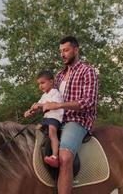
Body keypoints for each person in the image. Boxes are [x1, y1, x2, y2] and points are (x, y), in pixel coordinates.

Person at [42, 36, 98, 194]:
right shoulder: (59, 75)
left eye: (66, 50)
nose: (62, 54)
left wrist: (59, 105)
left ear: (76, 50)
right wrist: (40, 105)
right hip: (57, 119)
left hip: (77, 120)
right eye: (60, 51)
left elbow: (88, 102)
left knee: (65, 158)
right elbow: (51, 97)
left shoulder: (87, 71)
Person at [24, 71, 64, 168]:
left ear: (51, 82)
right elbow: (38, 106)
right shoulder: (44, 95)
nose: (40, 86)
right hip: (47, 118)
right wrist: (30, 111)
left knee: (52, 132)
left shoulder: (55, 92)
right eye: (39, 84)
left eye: (43, 83)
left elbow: (54, 105)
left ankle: (55, 156)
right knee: (36, 130)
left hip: (55, 117)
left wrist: (39, 105)